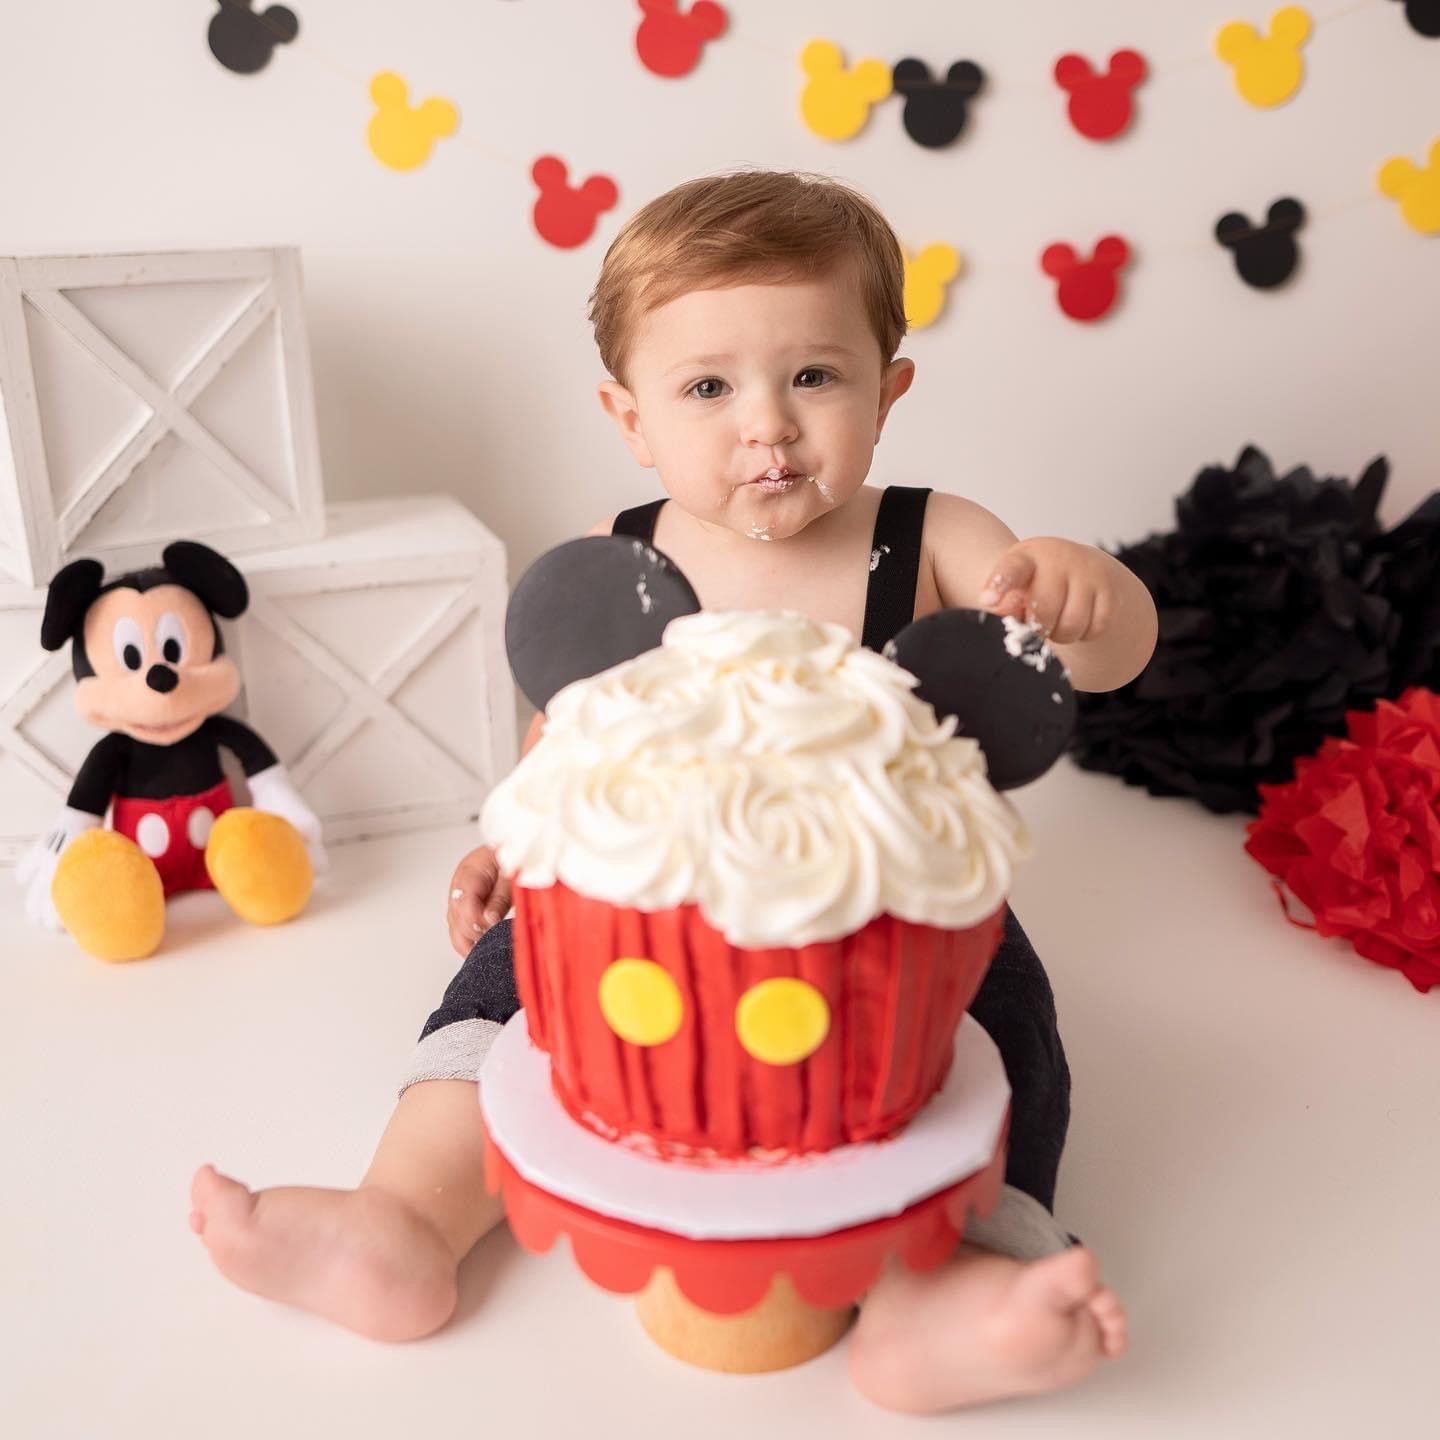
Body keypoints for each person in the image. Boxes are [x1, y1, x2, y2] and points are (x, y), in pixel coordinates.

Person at [191, 169, 1155, 1413]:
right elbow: (574, 721)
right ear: (630, 415)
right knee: (498, 996)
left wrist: (1089, 594)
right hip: (645, 887)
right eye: (708, 387)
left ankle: (955, 1284)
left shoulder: (936, 536)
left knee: (1006, 1025)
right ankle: (404, 1221)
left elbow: (1100, 661)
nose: (768, 425)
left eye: (813, 376)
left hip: (887, 903)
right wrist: (515, 828)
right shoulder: (634, 554)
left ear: (889, 386)